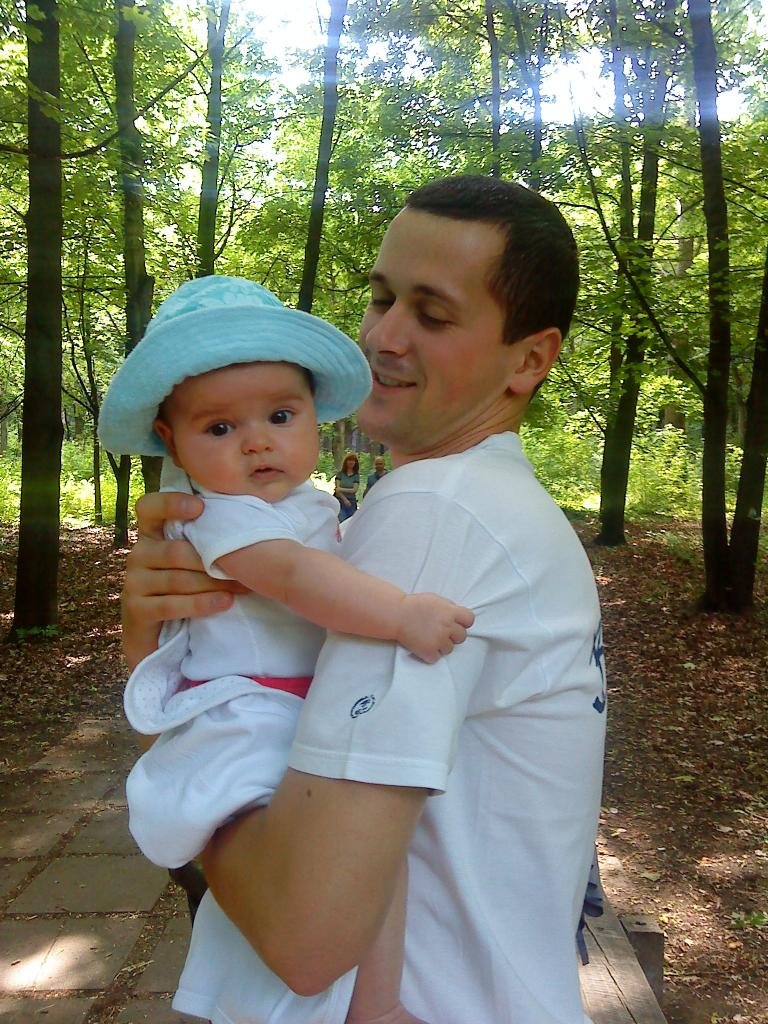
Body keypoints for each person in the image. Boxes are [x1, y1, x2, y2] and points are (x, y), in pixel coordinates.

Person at [121, 175, 607, 1024]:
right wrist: (163, 635)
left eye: (432, 314)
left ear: (530, 359)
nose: (383, 335)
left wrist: (181, 765)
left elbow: (301, 933)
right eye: (382, 298)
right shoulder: (493, 505)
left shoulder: (440, 509)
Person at [98, 274, 473, 1024]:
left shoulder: (301, 503)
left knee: (372, 862)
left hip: (289, 706)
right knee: (321, 874)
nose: (257, 441)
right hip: (246, 714)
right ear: (171, 441)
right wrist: (402, 615)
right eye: (219, 428)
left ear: (314, 415)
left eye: (279, 415)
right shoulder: (217, 514)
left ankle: (375, 1005)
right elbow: (296, 578)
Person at [335, 451, 360, 521]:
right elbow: (337, 491)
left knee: (350, 522)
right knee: (342, 520)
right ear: (346, 462)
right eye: (349, 460)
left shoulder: (356, 476)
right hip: (340, 502)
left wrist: (341, 489)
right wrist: (345, 500)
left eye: (353, 460)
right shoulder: (340, 474)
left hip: (352, 503)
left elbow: (354, 490)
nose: (351, 462)